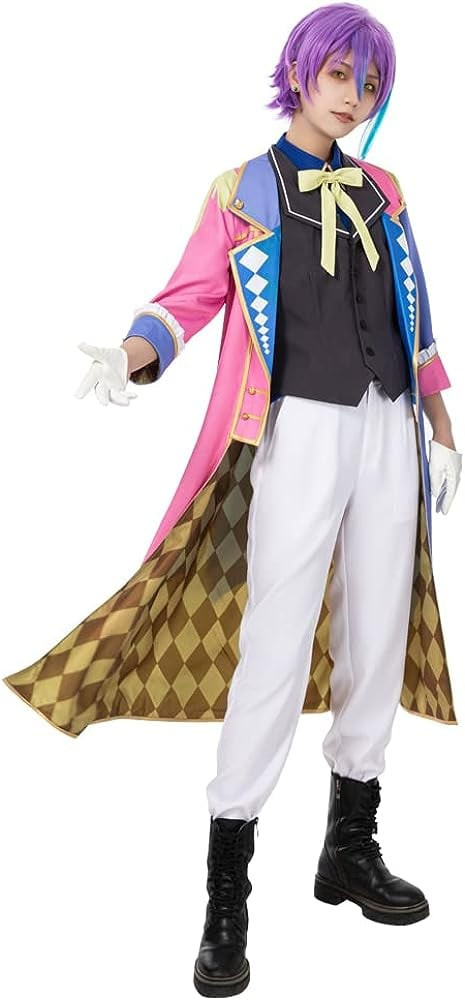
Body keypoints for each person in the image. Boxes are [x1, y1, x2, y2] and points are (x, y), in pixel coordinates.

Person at [4, 4, 462, 997]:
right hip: (295, 431)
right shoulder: (241, 190)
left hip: (386, 428)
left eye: (369, 84)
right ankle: (227, 892)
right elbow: (191, 296)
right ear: (299, 72)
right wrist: (134, 352)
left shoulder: (385, 191)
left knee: (379, 631)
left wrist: (437, 423)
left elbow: (413, 309)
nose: (354, 97)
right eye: (339, 75)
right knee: (275, 640)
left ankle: (349, 848)